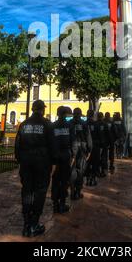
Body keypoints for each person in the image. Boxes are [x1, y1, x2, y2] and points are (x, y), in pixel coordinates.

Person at [14, 99, 53, 238]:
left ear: (32, 109)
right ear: (42, 109)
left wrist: (21, 160)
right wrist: (52, 162)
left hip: (26, 163)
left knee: (26, 190)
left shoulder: (23, 125)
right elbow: (52, 145)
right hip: (42, 163)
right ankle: (34, 223)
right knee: (40, 191)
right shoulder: (47, 124)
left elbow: (17, 146)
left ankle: (26, 224)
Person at [51, 106, 76, 214]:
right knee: (64, 180)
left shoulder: (52, 126)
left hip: (55, 156)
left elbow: (49, 142)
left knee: (55, 180)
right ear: (65, 114)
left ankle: (55, 204)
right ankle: (62, 203)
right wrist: (73, 154)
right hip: (66, 156)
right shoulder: (69, 126)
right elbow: (73, 141)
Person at [70, 108, 92, 200]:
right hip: (82, 149)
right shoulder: (84, 124)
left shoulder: (69, 123)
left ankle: (72, 191)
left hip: (71, 148)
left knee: (72, 170)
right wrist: (89, 149)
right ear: (80, 114)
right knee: (80, 171)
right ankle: (78, 192)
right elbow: (88, 137)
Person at [86, 110, 100, 186]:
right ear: (93, 115)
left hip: (86, 147)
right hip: (95, 146)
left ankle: (88, 178)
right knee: (95, 163)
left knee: (87, 163)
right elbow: (100, 136)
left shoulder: (84, 124)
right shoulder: (96, 124)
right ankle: (93, 178)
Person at [98, 112, 109, 177]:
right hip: (104, 143)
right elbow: (108, 134)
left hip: (96, 144)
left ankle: (98, 171)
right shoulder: (105, 124)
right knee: (104, 157)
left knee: (97, 157)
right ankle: (103, 171)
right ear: (102, 116)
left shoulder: (95, 123)